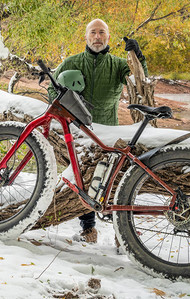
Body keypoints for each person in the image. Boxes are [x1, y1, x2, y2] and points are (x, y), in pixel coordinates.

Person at [48, 19, 148, 243]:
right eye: (93, 32)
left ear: (108, 37)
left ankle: (120, 234)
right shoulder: (72, 62)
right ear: (86, 37)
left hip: (108, 131)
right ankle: (88, 229)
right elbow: (51, 89)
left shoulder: (118, 64)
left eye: (101, 32)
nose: (97, 37)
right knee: (83, 180)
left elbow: (141, 78)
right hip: (78, 132)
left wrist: (138, 57)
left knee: (112, 180)